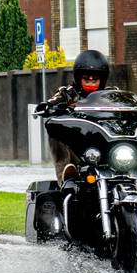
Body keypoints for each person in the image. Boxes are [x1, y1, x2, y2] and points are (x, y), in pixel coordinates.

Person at [37, 50, 113, 182]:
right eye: (86, 79)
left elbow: (128, 102)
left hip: (104, 141)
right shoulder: (68, 93)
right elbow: (54, 100)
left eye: (95, 79)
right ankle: (66, 173)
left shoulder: (111, 95)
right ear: (78, 78)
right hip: (77, 144)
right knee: (55, 126)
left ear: (102, 80)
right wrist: (48, 105)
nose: (90, 82)